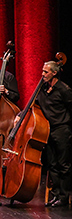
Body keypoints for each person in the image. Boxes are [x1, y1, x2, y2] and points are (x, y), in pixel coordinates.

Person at [33, 60, 72, 207]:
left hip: (61, 130)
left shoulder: (64, 90)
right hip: (47, 130)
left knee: (63, 164)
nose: (42, 74)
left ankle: (63, 196)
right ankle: (55, 194)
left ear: (55, 73)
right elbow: (35, 104)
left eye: (46, 72)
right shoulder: (43, 88)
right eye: (42, 71)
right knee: (52, 164)